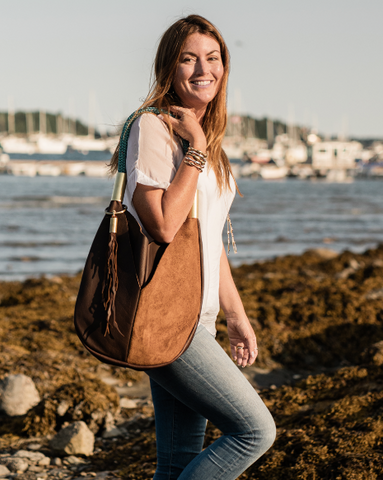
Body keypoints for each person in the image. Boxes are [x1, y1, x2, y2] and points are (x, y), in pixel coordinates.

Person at [109, 14, 276, 480]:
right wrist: (197, 148)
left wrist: (236, 316)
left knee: (178, 461)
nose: (203, 69)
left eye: (213, 57)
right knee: (254, 432)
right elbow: (163, 226)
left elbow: (208, 240)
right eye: (188, 59)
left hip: (197, 316)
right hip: (164, 314)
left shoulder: (205, 140)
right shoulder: (155, 130)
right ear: (170, 68)